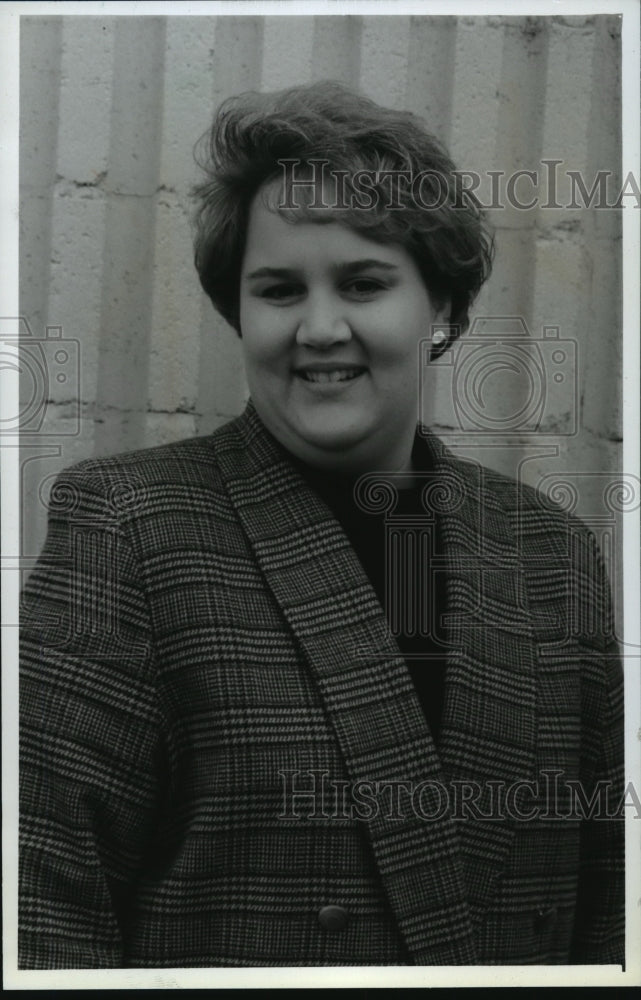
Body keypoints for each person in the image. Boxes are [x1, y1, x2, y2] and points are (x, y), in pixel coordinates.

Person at [19, 81, 624, 968]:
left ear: (441, 309)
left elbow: (610, 907)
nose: (319, 328)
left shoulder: (551, 552)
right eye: (277, 290)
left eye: (363, 283)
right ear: (239, 312)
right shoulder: (128, 529)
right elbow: (42, 905)